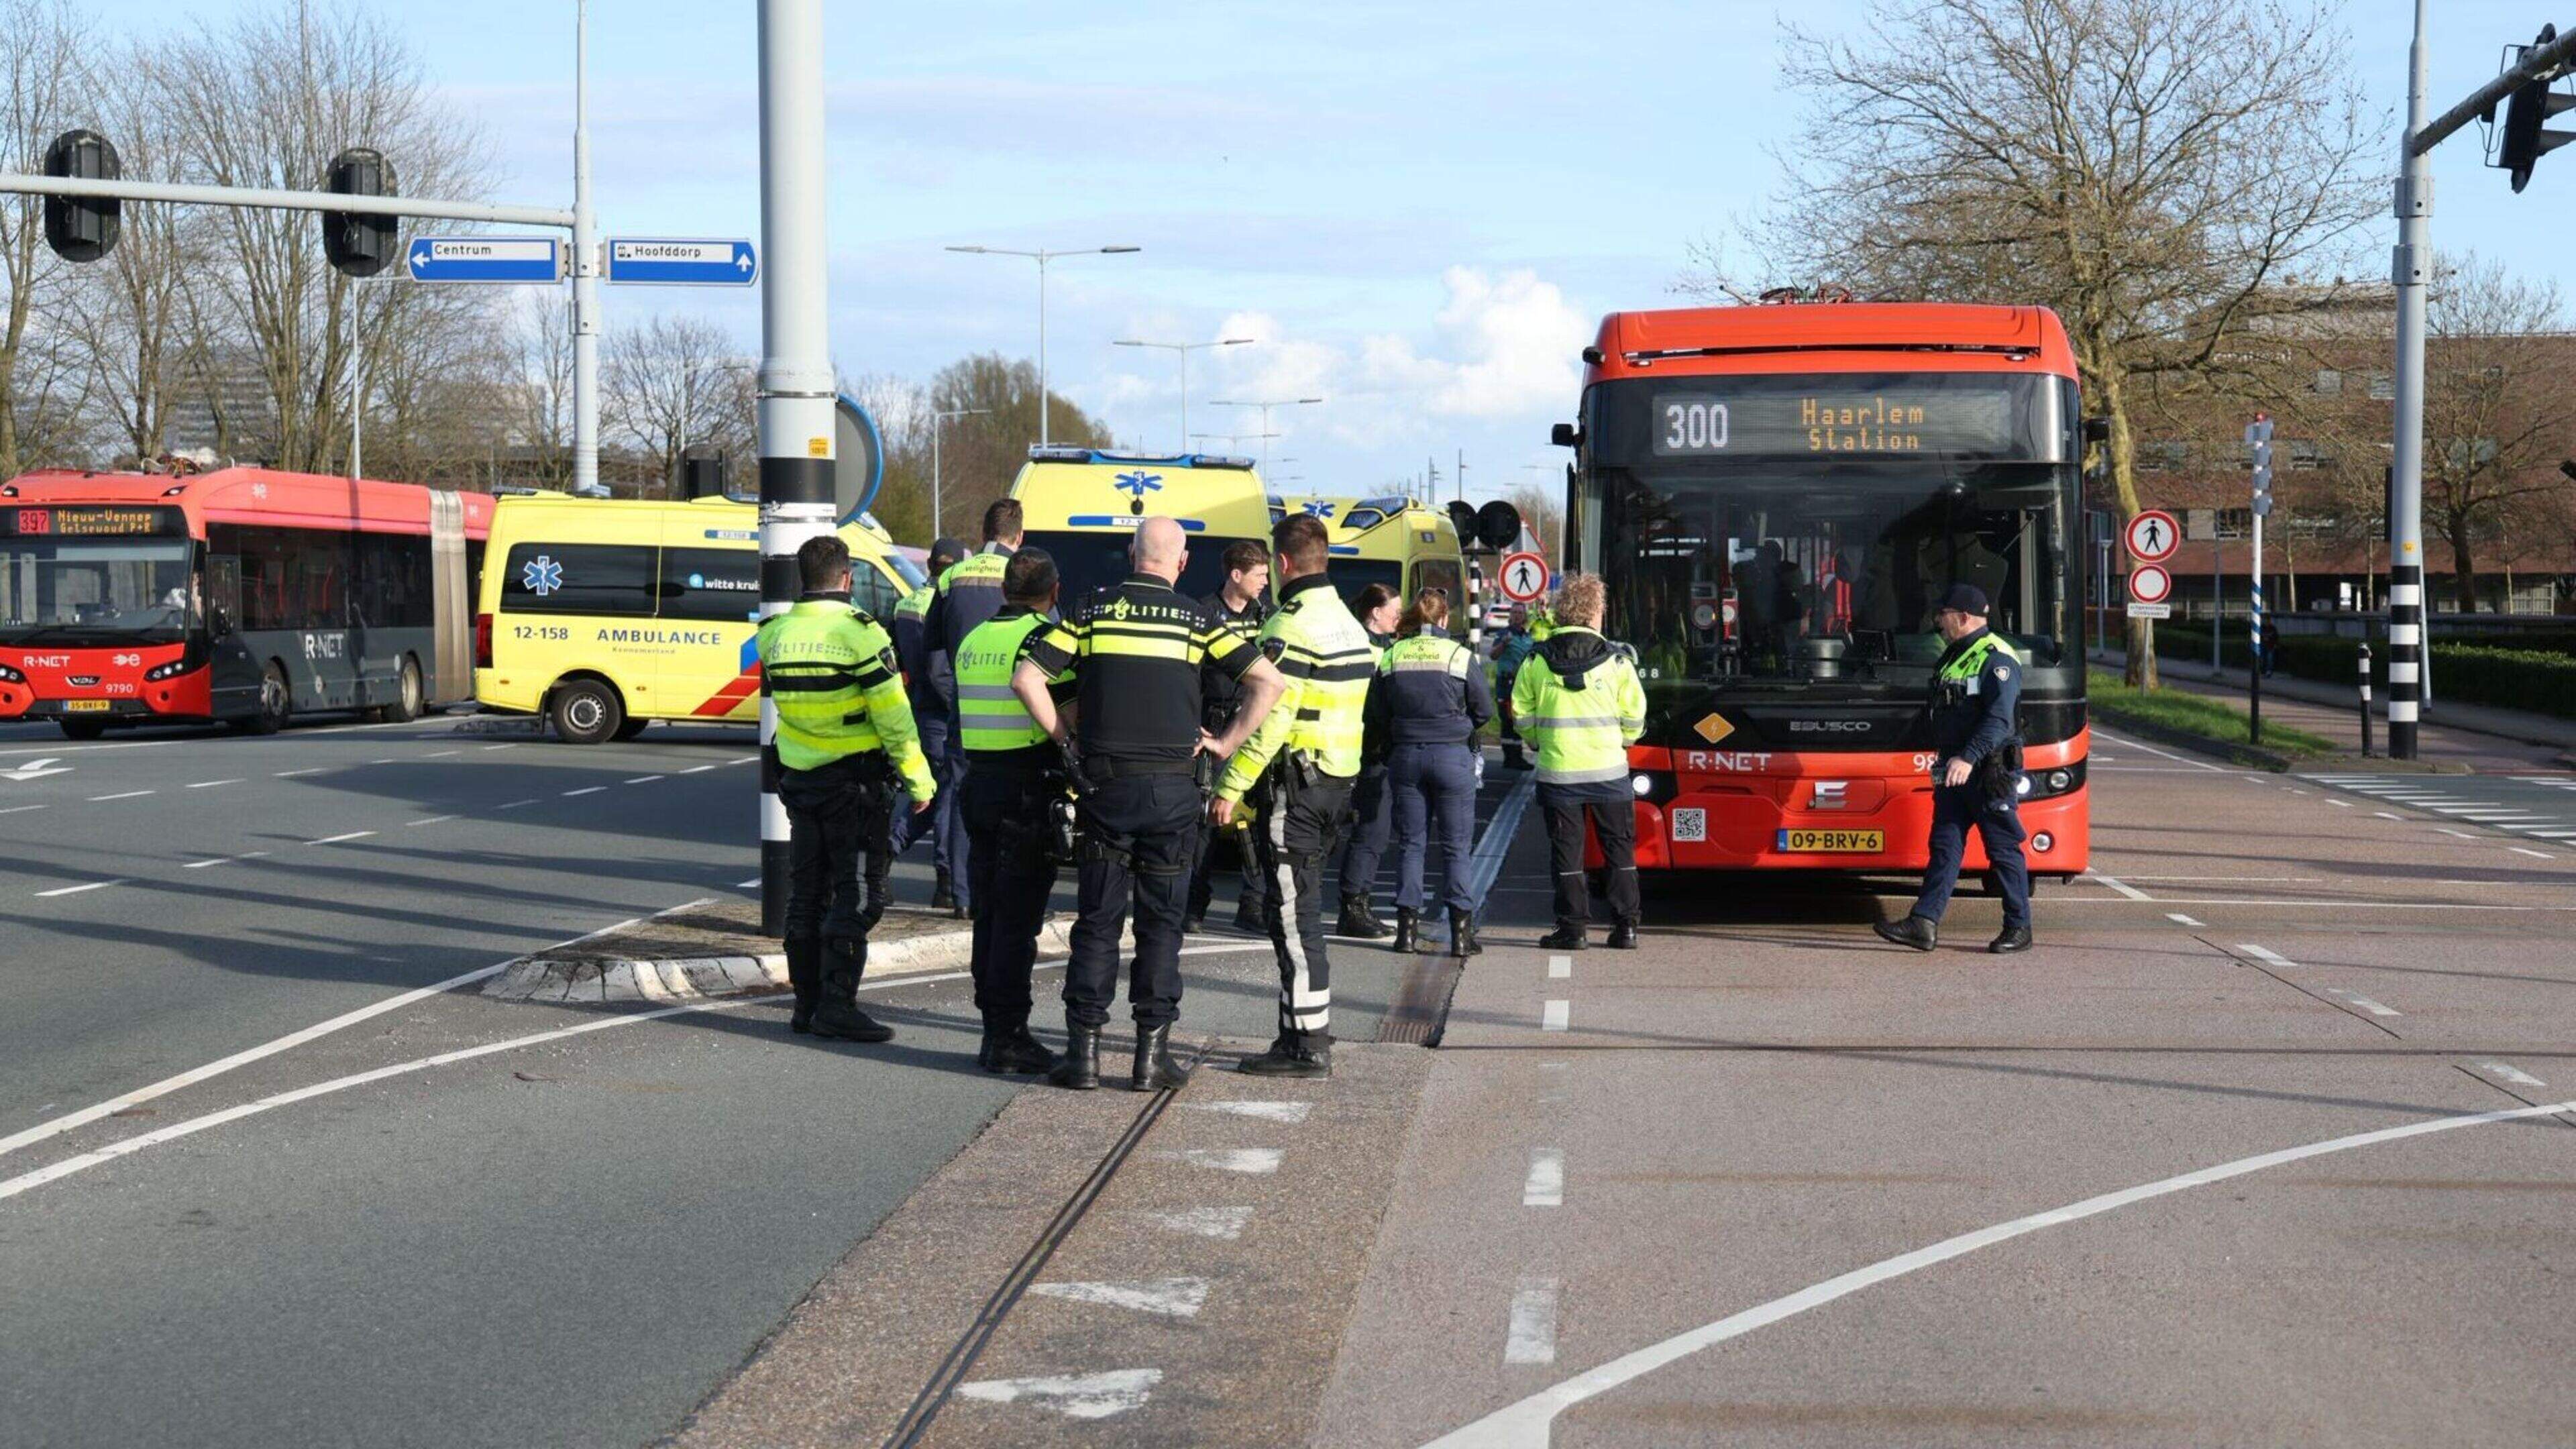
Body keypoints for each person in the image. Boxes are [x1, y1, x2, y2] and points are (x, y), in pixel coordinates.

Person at [1016, 517, 1286, 1091]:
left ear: (1130, 552)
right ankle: (1150, 1058)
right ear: (1182, 563)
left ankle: (1083, 1056)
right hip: (1172, 793)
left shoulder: (1091, 611)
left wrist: (1065, 740)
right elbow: (1269, 682)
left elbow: (1027, 679)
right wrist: (1226, 743)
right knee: (1161, 925)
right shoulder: (1199, 619)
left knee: (1098, 922)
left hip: (1104, 789)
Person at [1211, 514, 1376, 1078]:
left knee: (1293, 919)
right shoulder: (1350, 624)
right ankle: (1300, 1030)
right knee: (1302, 910)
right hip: (1336, 783)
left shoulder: (1289, 626)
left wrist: (1230, 784)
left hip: (1295, 789)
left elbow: (1270, 720)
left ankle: (1307, 1045)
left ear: (1282, 564)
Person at [757, 534, 936, 1040]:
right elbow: (894, 718)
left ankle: (806, 1005)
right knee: (859, 897)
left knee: (807, 894)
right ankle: (837, 1005)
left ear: (803, 578)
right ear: (847, 578)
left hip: (800, 780)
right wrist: (919, 780)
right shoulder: (862, 634)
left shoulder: (774, 635)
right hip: (854, 785)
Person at [953, 547, 1075, 1075]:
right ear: (1055, 592)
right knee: (1017, 921)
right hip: (1025, 790)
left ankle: (993, 1030)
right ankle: (1009, 1036)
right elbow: (1069, 714)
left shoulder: (974, 639)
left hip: (979, 784)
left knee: (989, 913)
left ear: (1004, 590)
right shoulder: (1043, 641)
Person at [1873, 583, 2033, 955]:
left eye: (1943, 615)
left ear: (1963, 617)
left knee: (2003, 849)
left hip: (1988, 771)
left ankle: (2019, 927)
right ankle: (1923, 923)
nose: (1938, 622)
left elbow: (1999, 719)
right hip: (1953, 769)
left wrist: (1968, 757)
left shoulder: (1997, 657)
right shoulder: (1955, 655)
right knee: (1945, 846)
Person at [1515, 574, 1646, 951]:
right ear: (1594, 613)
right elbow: (1635, 715)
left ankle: (1572, 930)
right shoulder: (1617, 661)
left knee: (1567, 854)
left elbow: (1522, 712)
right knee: (1619, 851)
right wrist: (1624, 741)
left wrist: (1537, 741)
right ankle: (1626, 928)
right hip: (1609, 772)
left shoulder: (1536, 660)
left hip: (1559, 773)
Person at [1368, 587, 1493, 957]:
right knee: (1456, 848)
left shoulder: (1393, 655)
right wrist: (1458, 726)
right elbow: (1483, 709)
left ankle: (1406, 933)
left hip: (1406, 756)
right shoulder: (1458, 655)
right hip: (1452, 756)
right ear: (1443, 618)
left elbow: (1376, 713)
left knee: (1411, 845)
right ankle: (1461, 936)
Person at [926, 500, 1027, 916]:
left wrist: (956, 698)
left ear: (983, 532)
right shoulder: (1023, 574)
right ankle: (1003, 894)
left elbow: (934, 657)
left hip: (963, 711)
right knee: (1014, 803)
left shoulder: (951, 577)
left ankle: (963, 898)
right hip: (1017, 713)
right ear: (1019, 536)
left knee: (957, 797)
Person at [1188, 540, 1274, 935]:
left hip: (1254, 726)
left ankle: (1253, 904)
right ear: (1236, 575)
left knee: (1256, 821)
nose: (1265, 582)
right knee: (1207, 821)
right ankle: (1194, 905)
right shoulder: (1203, 613)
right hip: (1215, 725)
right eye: (1260, 575)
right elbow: (1189, 674)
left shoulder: (1266, 615)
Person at [1330, 583, 1404, 939]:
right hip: (1358, 749)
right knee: (1365, 831)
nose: (1399, 618)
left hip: (1371, 750)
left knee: (1372, 831)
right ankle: (1352, 909)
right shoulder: (1362, 647)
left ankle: (1358, 905)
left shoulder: (1387, 648)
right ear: (1375, 613)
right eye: (1395, 611)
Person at [890, 537, 965, 874]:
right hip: (943, 710)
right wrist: (957, 706)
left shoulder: (905, 604)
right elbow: (941, 671)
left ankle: (891, 846)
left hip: (919, 707)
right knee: (946, 793)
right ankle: (945, 876)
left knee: (933, 791)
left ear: (930, 565)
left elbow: (896, 660)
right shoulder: (947, 605)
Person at [1491, 604, 1538, 769]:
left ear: (1525, 616)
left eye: (1520, 613)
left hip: (1523, 684)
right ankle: (1510, 757)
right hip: (1506, 683)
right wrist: (1504, 644)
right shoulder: (1504, 634)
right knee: (1507, 720)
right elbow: (1493, 655)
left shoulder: (1529, 636)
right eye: (1515, 612)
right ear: (1511, 615)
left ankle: (1517, 757)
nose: (1517, 615)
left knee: (1519, 719)